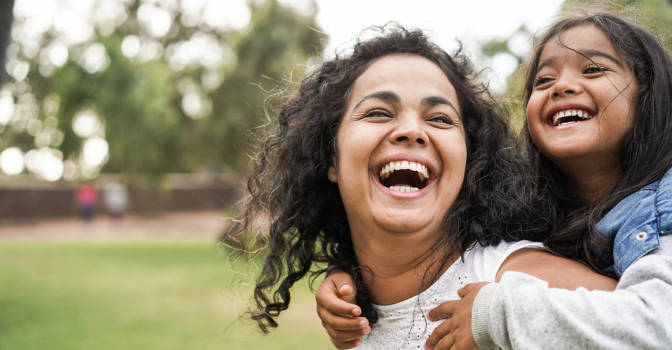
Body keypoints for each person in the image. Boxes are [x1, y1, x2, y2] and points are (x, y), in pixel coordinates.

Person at [226, 26, 615, 350]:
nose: (412, 130)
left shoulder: (513, 281)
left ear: (469, 159)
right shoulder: (353, 311)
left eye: (441, 118)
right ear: (331, 158)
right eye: (379, 112)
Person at [317, 12, 672, 350]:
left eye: (440, 118)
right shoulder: (550, 219)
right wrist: (350, 273)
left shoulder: (659, 208)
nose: (562, 86)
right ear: (330, 157)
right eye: (543, 80)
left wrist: (498, 314)